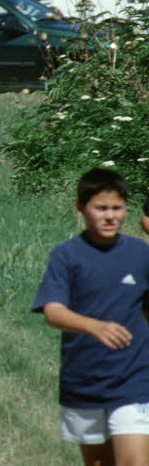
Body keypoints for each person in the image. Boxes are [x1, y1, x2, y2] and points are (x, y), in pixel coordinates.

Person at [34, 168, 149, 465]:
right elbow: (53, 311)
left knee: (135, 461)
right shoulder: (67, 256)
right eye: (100, 208)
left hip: (134, 377)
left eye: (117, 208)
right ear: (80, 208)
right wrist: (92, 326)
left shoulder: (140, 254)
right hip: (83, 379)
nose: (110, 216)